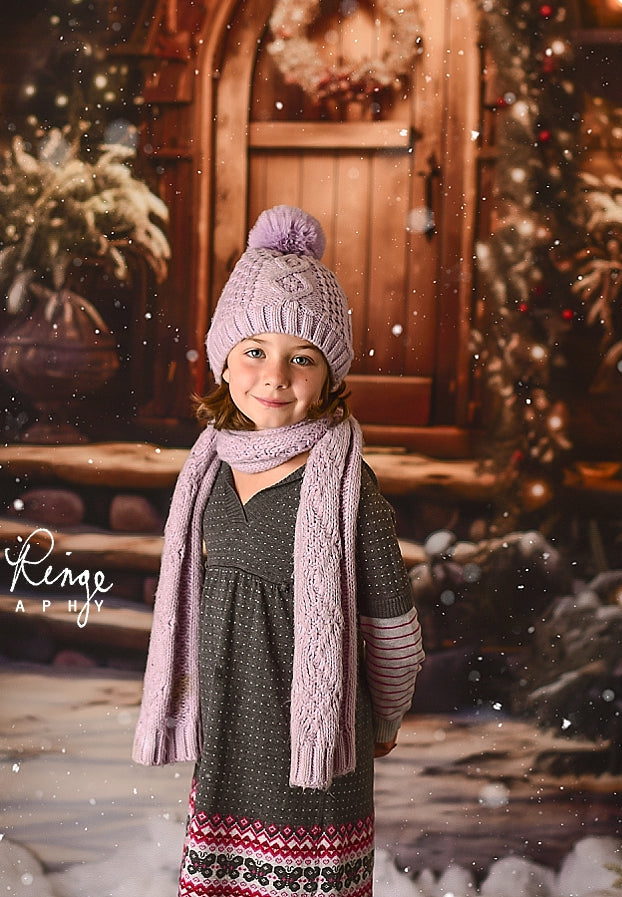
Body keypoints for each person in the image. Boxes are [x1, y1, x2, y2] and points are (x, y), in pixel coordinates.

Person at [134, 205, 426, 897]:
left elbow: (392, 627)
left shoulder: (347, 490)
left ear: (330, 378)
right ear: (225, 362)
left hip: (312, 754)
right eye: (255, 350)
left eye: (304, 357)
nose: (276, 373)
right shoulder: (209, 470)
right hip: (230, 738)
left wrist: (384, 718)